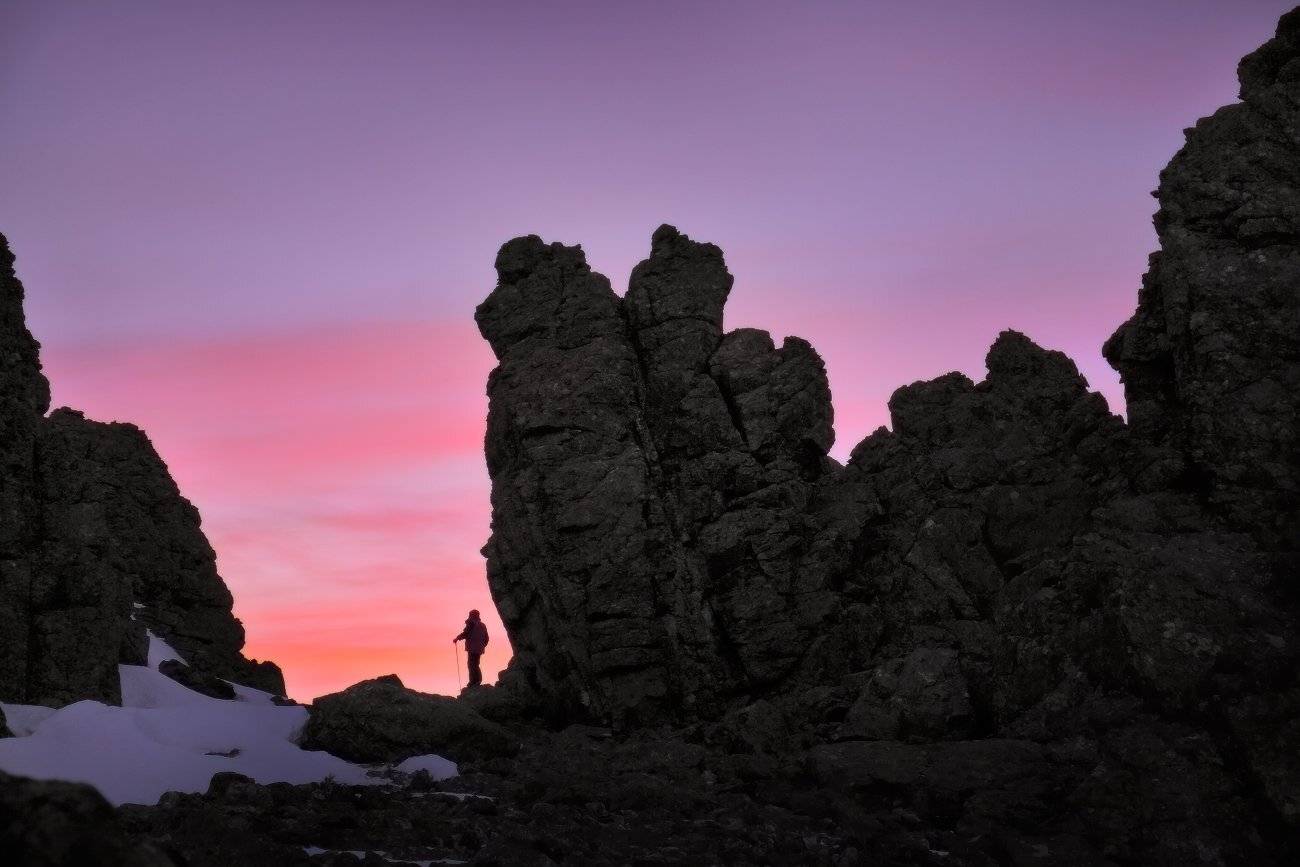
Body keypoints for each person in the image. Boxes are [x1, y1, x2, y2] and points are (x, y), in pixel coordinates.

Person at [452, 609, 489, 688]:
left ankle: (473, 682)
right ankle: (478, 680)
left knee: (471, 664)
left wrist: (457, 638)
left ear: (471, 615)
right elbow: (486, 638)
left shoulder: (471, 623)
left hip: (472, 648)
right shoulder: (483, 625)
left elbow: (466, 633)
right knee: (476, 664)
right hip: (479, 649)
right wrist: (482, 645)